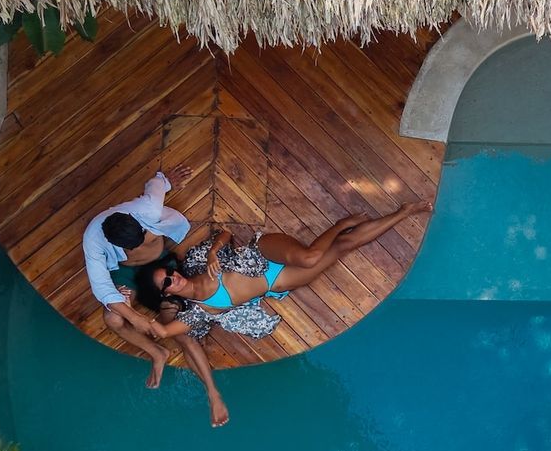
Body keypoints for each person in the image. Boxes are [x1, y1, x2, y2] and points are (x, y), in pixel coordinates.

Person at [133, 207, 422, 342]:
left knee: (310, 257)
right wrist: (122, 307)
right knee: (345, 246)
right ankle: (402, 213)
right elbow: (161, 331)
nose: (174, 277)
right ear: (165, 293)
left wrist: (213, 252)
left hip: (263, 252)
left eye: (169, 272)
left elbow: (226, 233)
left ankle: (340, 223)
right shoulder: (198, 312)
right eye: (167, 281)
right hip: (276, 281)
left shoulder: (195, 263)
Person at [82, 169, 228, 426]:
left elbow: (155, 187)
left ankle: (212, 392)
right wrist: (133, 315)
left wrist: (166, 180)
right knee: (113, 319)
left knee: (179, 331)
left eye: (142, 237)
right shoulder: (93, 241)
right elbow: (101, 288)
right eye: (132, 246)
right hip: (128, 274)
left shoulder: (146, 209)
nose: (139, 244)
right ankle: (157, 352)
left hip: (161, 266)